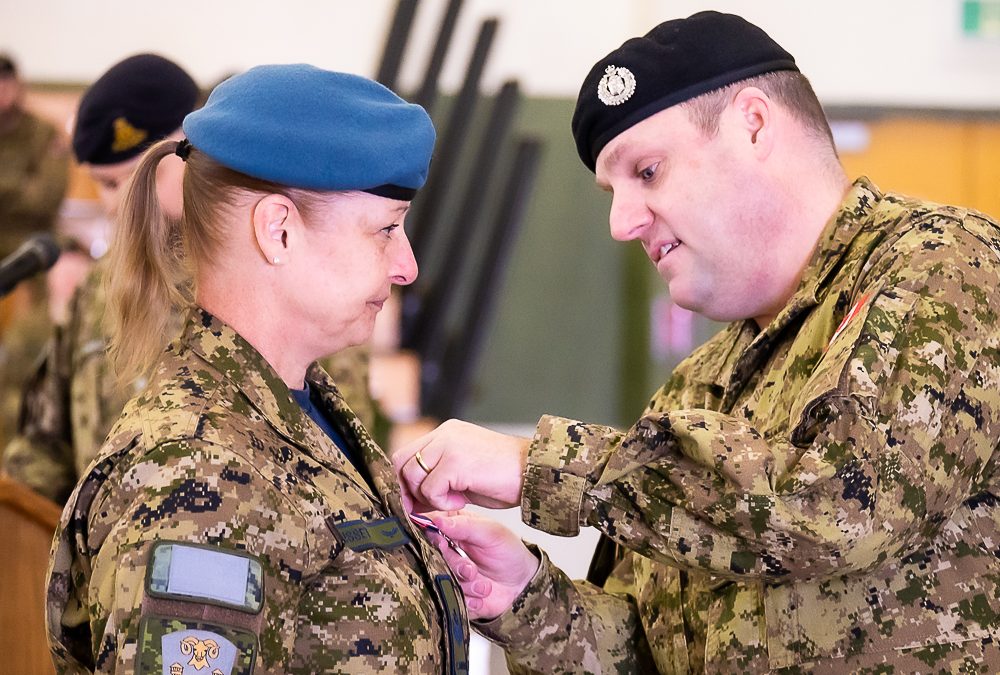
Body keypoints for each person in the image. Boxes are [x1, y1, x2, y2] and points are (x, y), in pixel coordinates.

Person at [394, 10, 1000, 673]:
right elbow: (649, 649)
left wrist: (534, 463)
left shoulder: (942, 265)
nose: (622, 221)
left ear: (754, 124)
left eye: (647, 171)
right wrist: (522, 596)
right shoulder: (700, 383)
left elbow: (840, 505)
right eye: (611, 190)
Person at [45, 64, 474, 673]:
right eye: (385, 231)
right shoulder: (196, 477)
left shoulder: (306, 414)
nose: (407, 267)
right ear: (278, 231)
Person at [1, 54, 389, 505]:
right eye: (103, 186)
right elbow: (47, 448)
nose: (113, 205)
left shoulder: (272, 272)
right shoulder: (99, 290)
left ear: (188, 150)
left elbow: (337, 441)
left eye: (123, 180)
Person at [0, 52, 70, 443]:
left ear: (17, 86)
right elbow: (25, 192)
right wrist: (17, 184)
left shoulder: (44, 135)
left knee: (24, 364)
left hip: (30, 260)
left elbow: (43, 198)